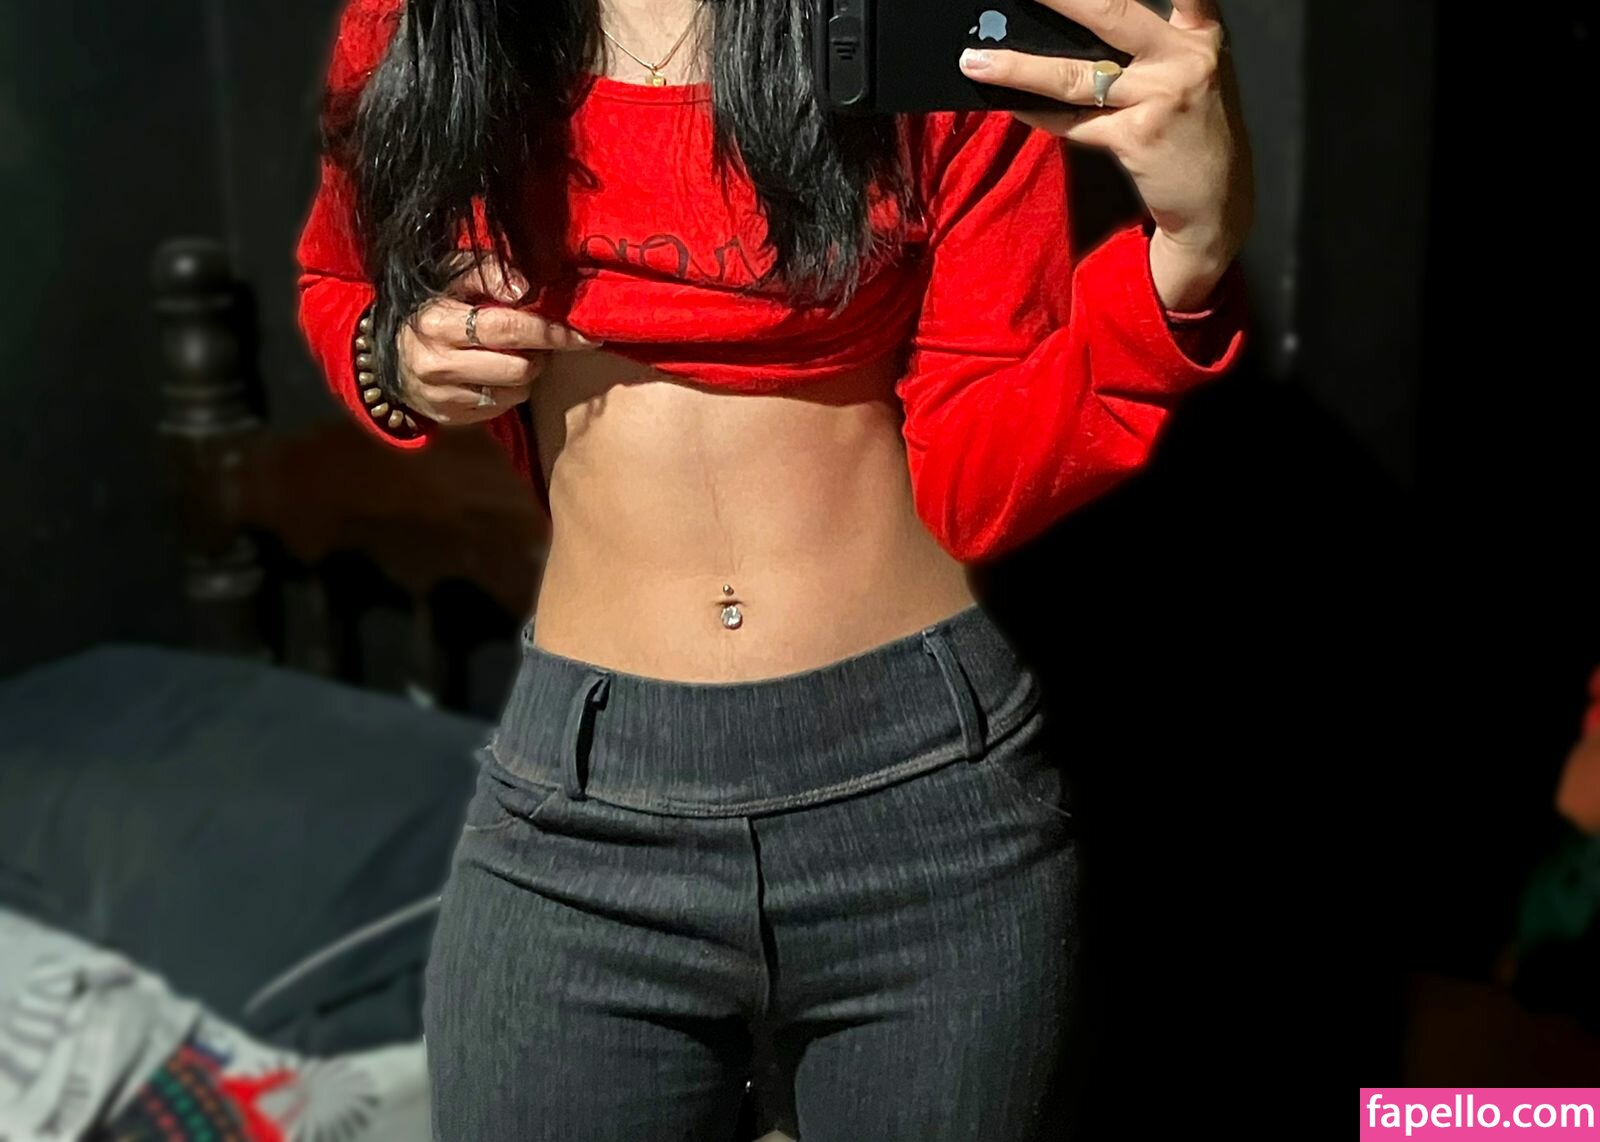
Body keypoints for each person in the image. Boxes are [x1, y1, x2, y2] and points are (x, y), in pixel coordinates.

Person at [294, 1, 1252, 1137]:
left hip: (922, 795)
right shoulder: (427, 28)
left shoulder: (917, 28)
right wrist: (397, 357)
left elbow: (977, 478)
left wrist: (1185, 259)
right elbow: (340, 277)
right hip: (583, 804)